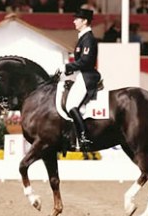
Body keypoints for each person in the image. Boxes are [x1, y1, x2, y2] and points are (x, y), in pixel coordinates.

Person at [60, 8, 100, 150]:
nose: (74, 21)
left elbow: (86, 61)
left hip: (87, 76)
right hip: (81, 75)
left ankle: (84, 138)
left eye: (77, 19)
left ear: (84, 21)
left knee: (71, 105)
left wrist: (67, 67)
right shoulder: (82, 38)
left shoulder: (88, 38)